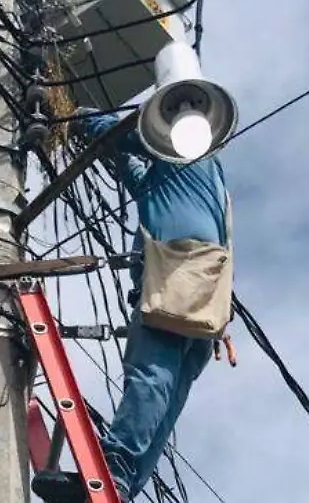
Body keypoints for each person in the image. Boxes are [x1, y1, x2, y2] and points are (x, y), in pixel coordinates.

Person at [32, 108, 233, 503]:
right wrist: (110, 150)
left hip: (177, 282)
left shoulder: (189, 148)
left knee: (151, 377)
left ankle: (111, 472)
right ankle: (119, 488)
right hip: (209, 303)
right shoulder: (192, 187)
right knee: (166, 397)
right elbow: (132, 169)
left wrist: (73, 117)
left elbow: (128, 135)